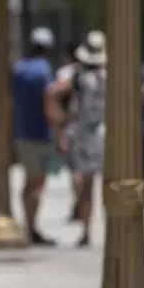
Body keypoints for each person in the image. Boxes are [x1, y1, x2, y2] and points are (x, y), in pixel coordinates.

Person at [47, 30, 108, 247]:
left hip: (85, 132)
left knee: (84, 182)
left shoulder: (79, 77)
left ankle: (86, 228)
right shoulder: (106, 77)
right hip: (100, 132)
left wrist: (60, 124)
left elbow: (52, 93)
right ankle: (90, 227)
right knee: (92, 184)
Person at [12, 27, 57, 246]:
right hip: (40, 133)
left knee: (28, 182)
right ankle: (31, 227)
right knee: (38, 184)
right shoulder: (44, 71)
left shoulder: (19, 69)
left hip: (22, 131)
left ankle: (27, 224)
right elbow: (49, 101)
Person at [55, 41, 83, 222]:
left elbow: (54, 97)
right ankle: (83, 204)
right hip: (92, 126)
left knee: (76, 170)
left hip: (71, 124)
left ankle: (79, 203)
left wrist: (58, 126)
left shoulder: (64, 74)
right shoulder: (97, 73)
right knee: (87, 173)